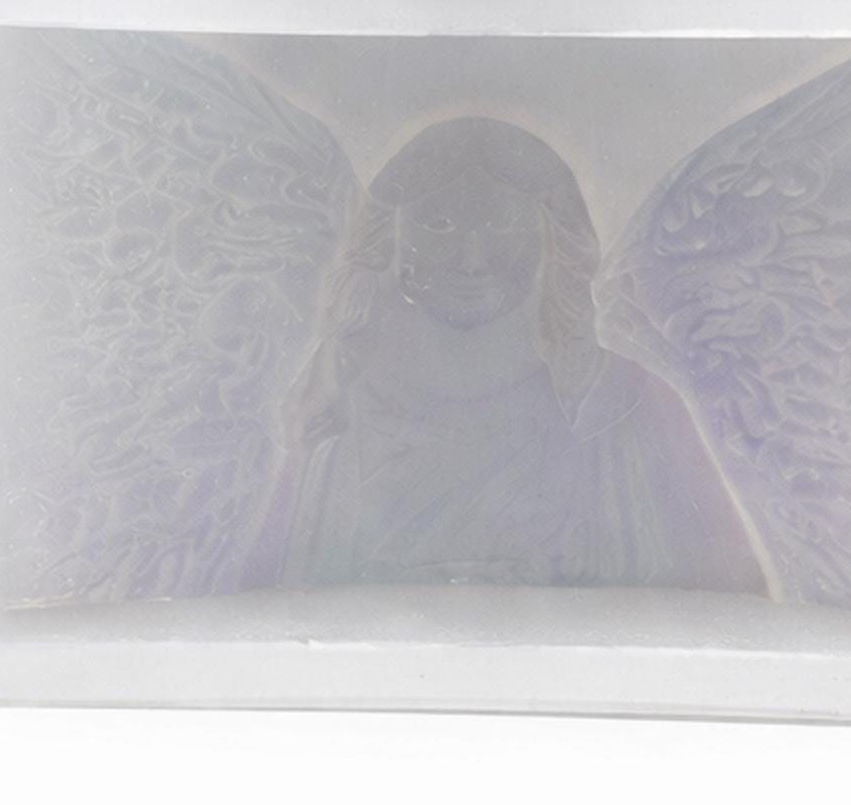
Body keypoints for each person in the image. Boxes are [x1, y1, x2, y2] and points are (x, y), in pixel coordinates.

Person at [266, 118, 764, 592]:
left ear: (554, 235)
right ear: (390, 241)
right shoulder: (333, 404)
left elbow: (730, 604)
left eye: (503, 222)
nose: (472, 259)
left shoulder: (626, 405)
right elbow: (273, 596)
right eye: (438, 224)